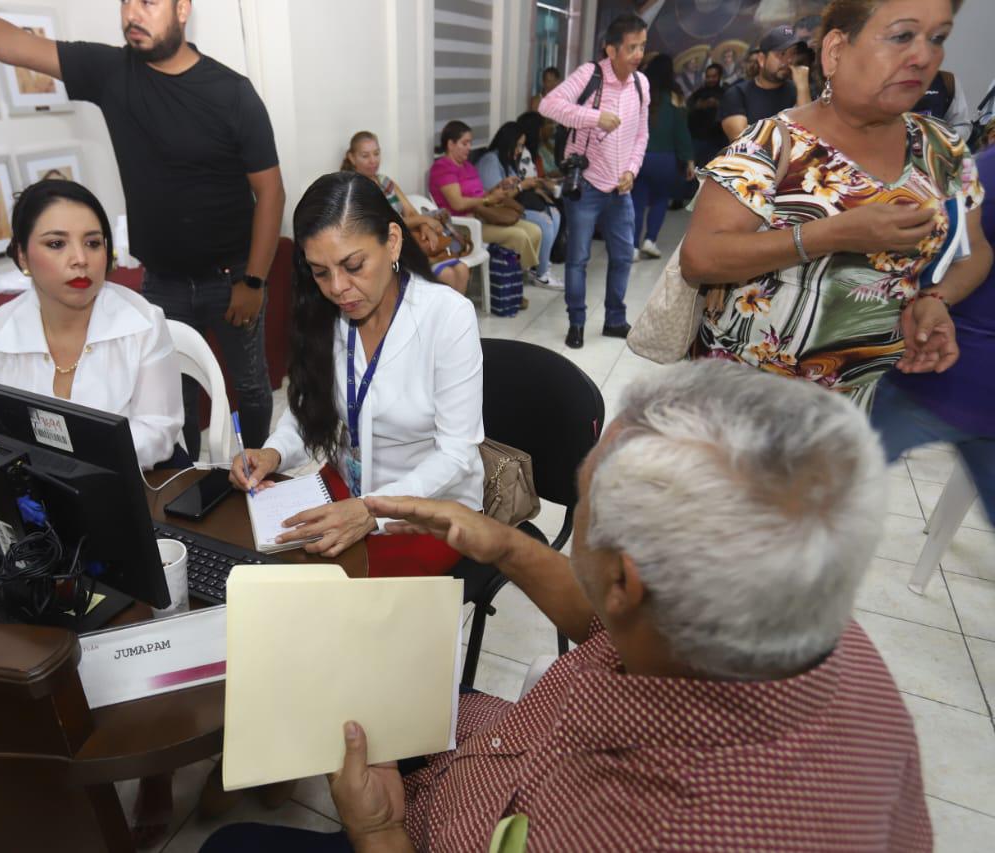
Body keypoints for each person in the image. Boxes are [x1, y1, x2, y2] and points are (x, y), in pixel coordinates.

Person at [201, 360, 931, 852]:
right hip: (493, 756)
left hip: (424, 826)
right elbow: (610, 621)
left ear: (625, 582)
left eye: (583, 504)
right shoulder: (790, 609)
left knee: (229, 846)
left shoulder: (648, 827)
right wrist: (504, 545)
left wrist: (379, 832)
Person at [0, 0, 285, 459]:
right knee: (172, 400)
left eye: (148, 2)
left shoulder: (231, 92)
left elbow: (271, 192)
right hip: (162, 279)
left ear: (183, 9)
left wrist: (254, 281)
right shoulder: (113, 71)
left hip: (232, 276)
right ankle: (182, 479)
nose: (132, 14)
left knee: (251, 384)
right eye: (125, 2)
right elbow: (8, 42)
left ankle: (259, 476)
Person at [682, 0, 992, 410]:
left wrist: (936, 299)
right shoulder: (773, 143)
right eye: (902, 36)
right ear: (835, 51)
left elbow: (975, 250)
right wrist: (831, 234)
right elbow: (700, 258)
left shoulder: (941, 149)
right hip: (739, 396)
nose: (924, 56)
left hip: (853, 404)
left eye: (937, 38)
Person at [231, 171, 483, 571]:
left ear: (393, 242)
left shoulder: (447, 317)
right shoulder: (326, 315)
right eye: (320, 272)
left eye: (353, 265)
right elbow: (310, 411)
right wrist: (273, 452)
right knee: (265, 566)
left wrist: (371, 510)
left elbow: (456, 454)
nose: (336, 287)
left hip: (429, 507)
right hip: (347, 490)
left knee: (340, 593)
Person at [0, 179, 183, 471]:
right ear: (22, 255)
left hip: (133, 478)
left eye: (93, 243)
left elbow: (157, 431)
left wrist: (70, 463)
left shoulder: (144, 322)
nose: (81, 260)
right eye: (56, 244)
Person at [870, 143, 995, 524]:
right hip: (943, 360)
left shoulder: (977, 168)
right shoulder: (972, 168)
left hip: (943, 364)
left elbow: (961, 250)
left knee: (822, 490)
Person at [539, 13, 651, 349]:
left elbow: (642, 134)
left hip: (620, 188)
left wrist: (632, 170)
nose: (638, 54)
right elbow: (548, 105)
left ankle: (615, 319)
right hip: (586, 186)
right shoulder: (590, 75)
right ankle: (577, 322)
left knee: (623, 256)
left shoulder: (641, 84)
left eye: (642, 46)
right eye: (632, 48)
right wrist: (594, 117)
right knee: (578, 259)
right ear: (611, 50)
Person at [341, 131, 470, 295]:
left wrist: (425, 228)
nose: (373, 160)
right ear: (352, 158)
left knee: (462, 269)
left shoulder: (385, 181)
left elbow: (410, 211)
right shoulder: (354, 188)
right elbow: (382, 223)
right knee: (447, 274)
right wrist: (424, 220)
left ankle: (453, 313)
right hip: (386, 247)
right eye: (365, 156)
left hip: (410, 239)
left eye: (376, 153)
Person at [429, 120, 543, 295]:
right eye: (464, 143)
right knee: (518, 236)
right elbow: (458, 203)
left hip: (482, 216)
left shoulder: (468, 166)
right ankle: (514, 281)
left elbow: (480, 195)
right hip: (462, 227)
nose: (469, 148)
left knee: (534, 230)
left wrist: (498, 187)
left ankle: (515, 278)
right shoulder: (442, 168)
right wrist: (489, 199)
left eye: (470, 143)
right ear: (450, 144)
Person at [477, 122, 564, 289]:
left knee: (555, 213)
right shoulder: (490, 161)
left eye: (522, 146)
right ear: (507, 142)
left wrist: (523, 185)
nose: (519, 150)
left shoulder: (507, 160)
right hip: (496, 212)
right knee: (545, 222)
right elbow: (496, 199)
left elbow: (508, 190)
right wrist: (520, 186)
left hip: (512, 206)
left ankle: (541, 266)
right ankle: (541, 274)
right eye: (517, 145)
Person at [631, 54, 694, 260]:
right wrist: (688, 159)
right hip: (666, 160)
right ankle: (650, 241)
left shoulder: (639, 93)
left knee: (637, 201)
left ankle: (632, 246)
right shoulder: (676, 96)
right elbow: (681, 131)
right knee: (660, 199)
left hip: (640, 157)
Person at [719, 25, 810, 140]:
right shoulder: (737, 94)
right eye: (781, 54)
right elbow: (743, 143)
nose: (788, 60)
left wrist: (803, 89)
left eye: (793, 54)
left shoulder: (799, 90)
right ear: (762, 59)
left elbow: (809, 137)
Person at [688, 61, 729, 165]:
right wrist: (699, 106)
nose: (710, 79)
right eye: (708, 77)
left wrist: (718, 104)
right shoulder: (698, 93)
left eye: (713, 76)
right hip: (698, 139)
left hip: (718, 140)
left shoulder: (726, 93)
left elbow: (730, 114)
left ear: (719, 77)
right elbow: (687, 110)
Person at [911, 67, 971, 138]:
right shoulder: (898, 81)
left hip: (937, 143)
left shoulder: (947, 80)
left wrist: (942, 139)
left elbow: (961, 124)